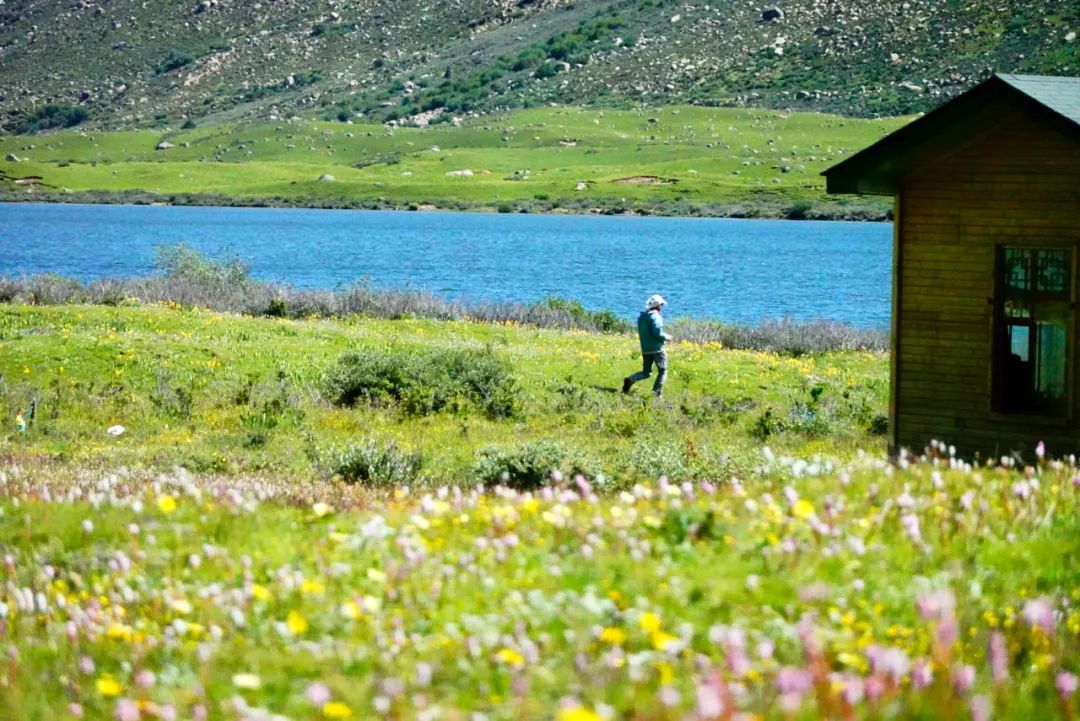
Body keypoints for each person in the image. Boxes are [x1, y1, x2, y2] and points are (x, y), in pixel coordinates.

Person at [622, 294, 671, 397]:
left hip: (646, 349)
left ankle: (631, 379)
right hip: (657, 349)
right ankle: (656, 394)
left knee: (646, 372)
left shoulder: (642, 317)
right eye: (661, 304)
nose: (662, 307)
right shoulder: (656, 317)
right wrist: (667, 337)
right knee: (663, 371)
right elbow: (657, 332)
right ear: (658, 306)